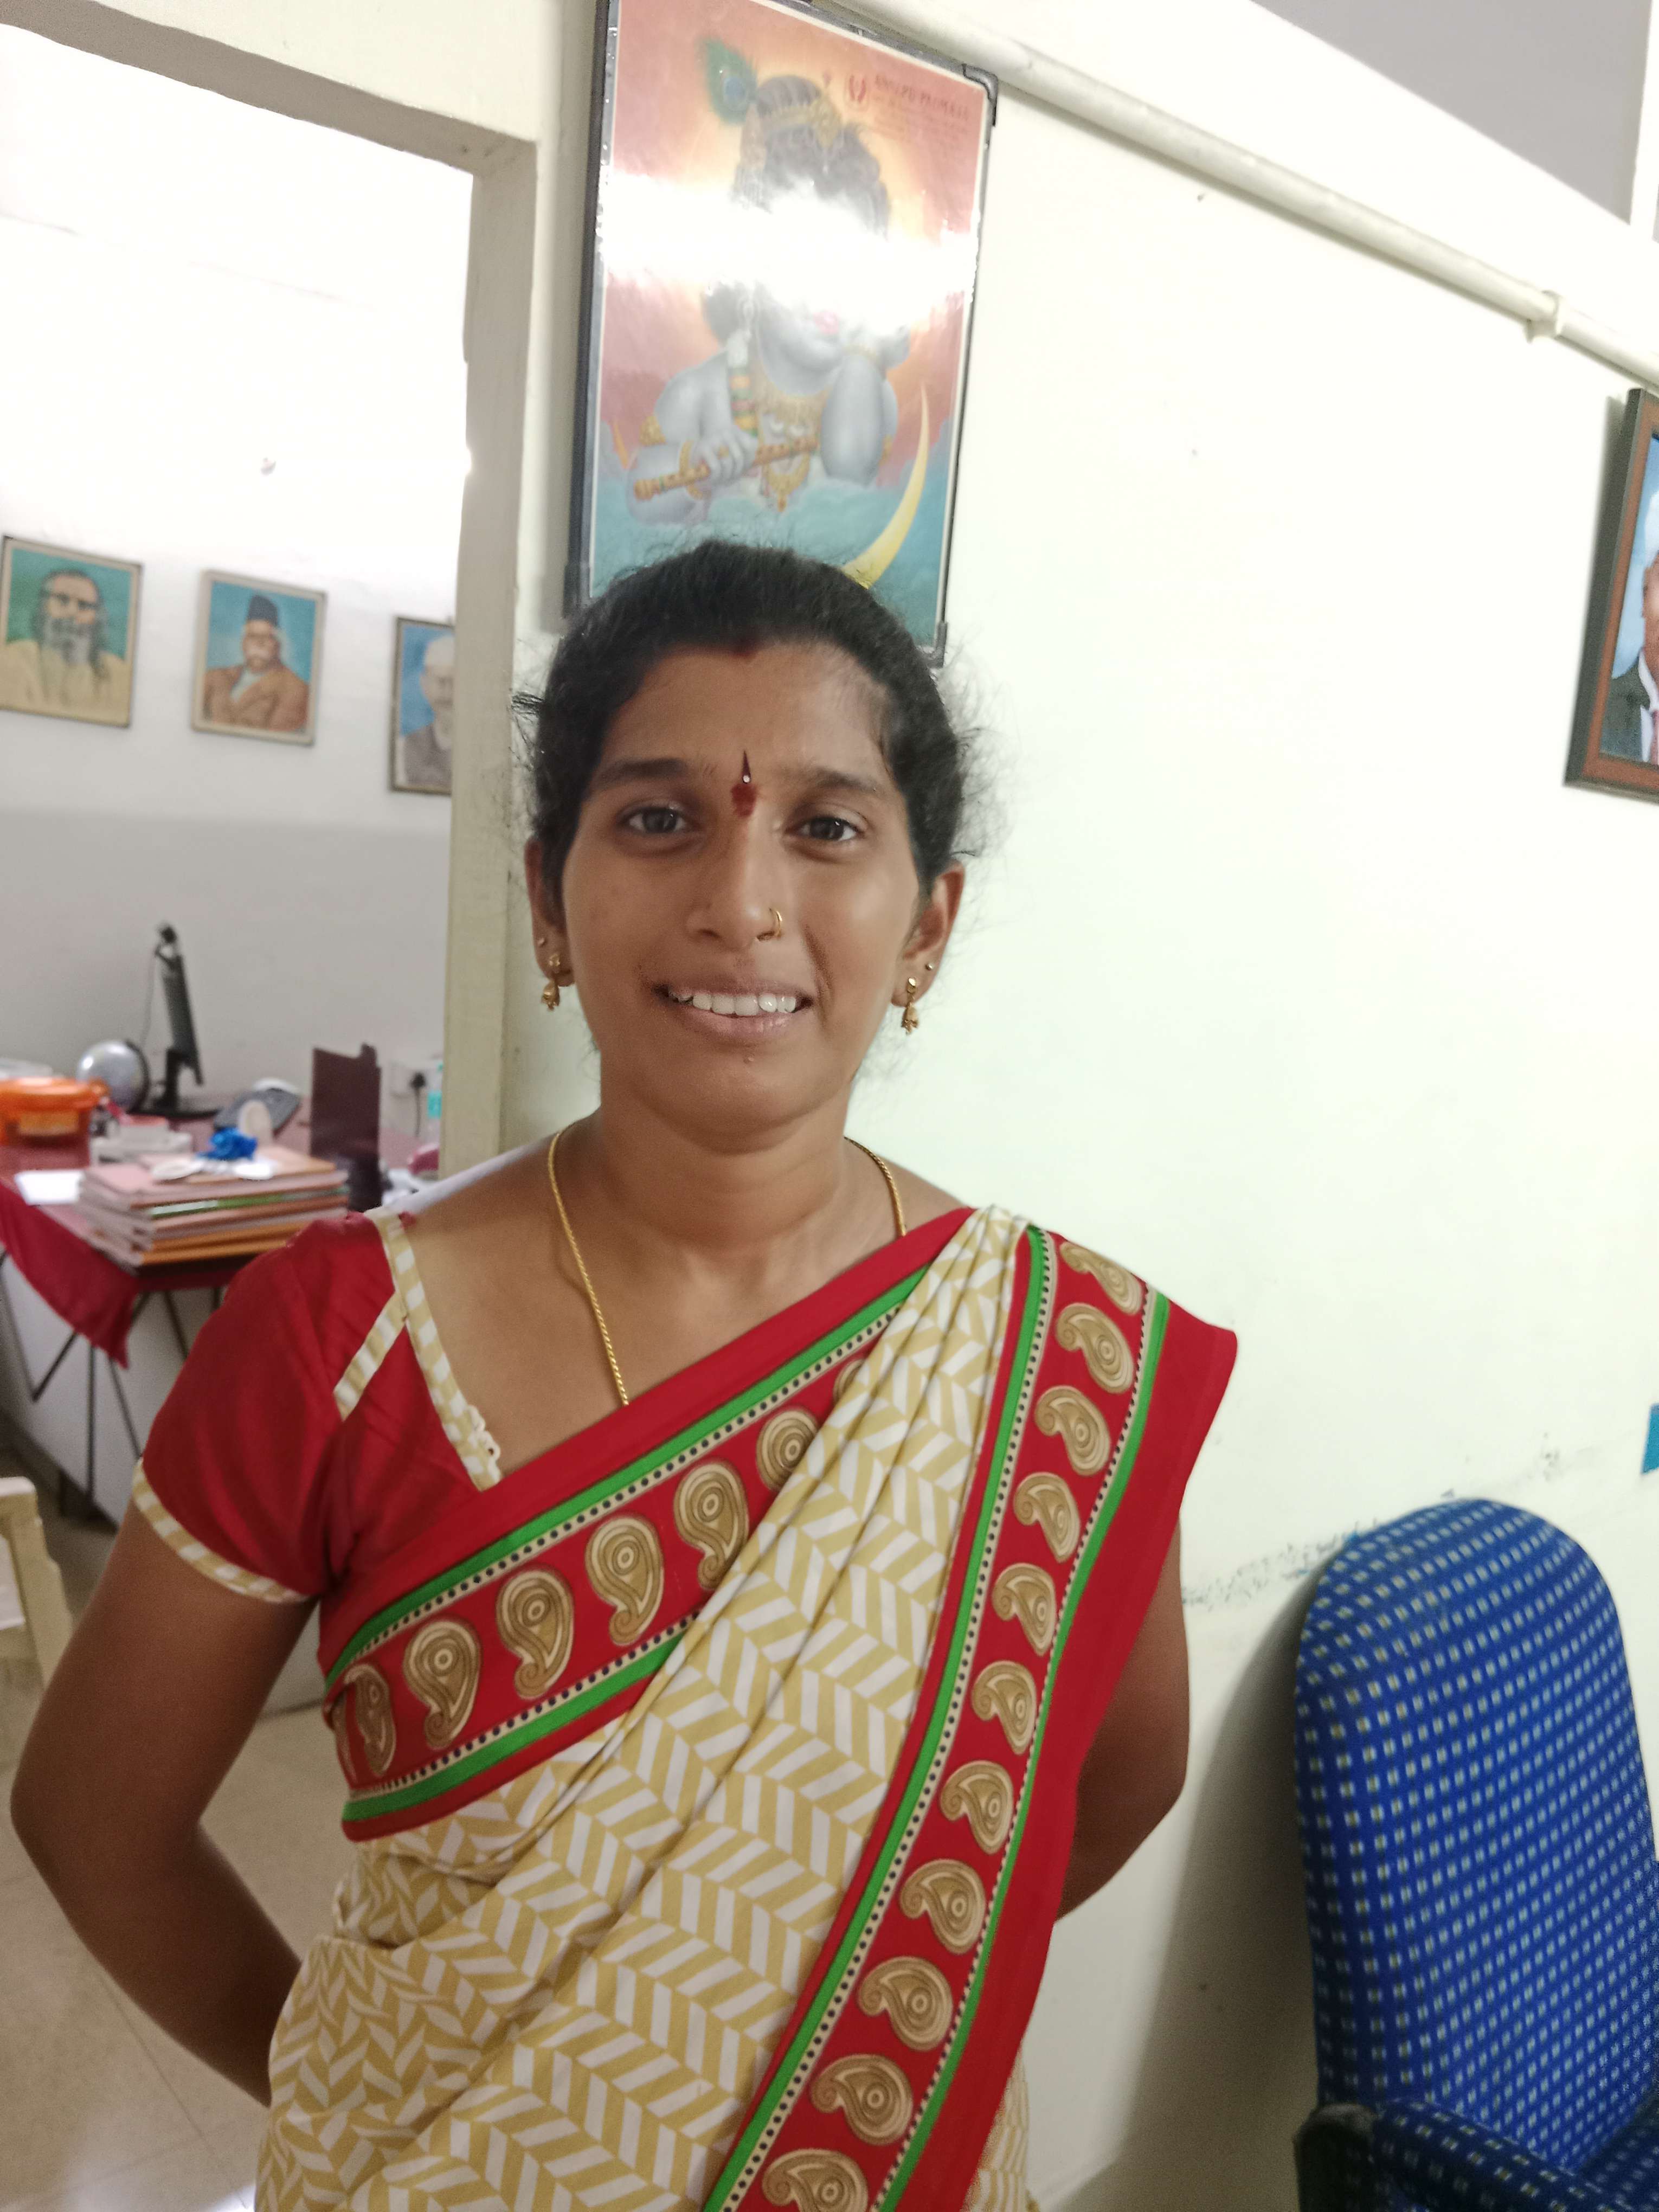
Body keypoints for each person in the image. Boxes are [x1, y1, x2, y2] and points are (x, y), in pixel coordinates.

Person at [12, 543, 1236, 2211]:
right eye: (660, 818)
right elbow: (97, 1820)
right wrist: (375, 2092)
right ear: (547, 898)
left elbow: (1118, 1784)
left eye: (827, 827)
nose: (741, 901)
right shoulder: (343, 1334)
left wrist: (850, 1994)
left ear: (929, 923)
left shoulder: (1060, 1355)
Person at [627, 61, 908, 525]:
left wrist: (869, 346)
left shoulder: (865, 395)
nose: (832, 292)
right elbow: (638, 499)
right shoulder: (701, 392)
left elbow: (850, 465)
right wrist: (694, 464)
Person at [0, 563, 131, 723]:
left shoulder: (118, 674)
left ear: (97, 618)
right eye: (62, 600)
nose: (72, 613)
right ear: (43, 607)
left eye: (84, 606)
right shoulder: (12, 659)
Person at [200, 590, 310, 733]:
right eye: (252, 636)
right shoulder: (215, 677)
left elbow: (274, 741)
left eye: (267, 637)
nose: (259, 644)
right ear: (244, 642)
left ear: (278, 644)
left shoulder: (296, 689)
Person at [398, 631, 454, 792]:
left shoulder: (483, 748)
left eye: (454, 682)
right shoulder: (406, 747)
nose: (447, 693)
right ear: (425, 685)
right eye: (440, 681)